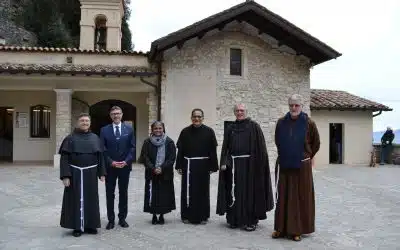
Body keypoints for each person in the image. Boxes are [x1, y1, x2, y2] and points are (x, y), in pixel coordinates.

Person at [216, 103, 274, 232]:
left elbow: (261, 149)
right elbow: (226, 148)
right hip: (234, 166)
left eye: (241, 110)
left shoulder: (254, 127)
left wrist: (259, 165)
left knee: (250, 193)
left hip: (250, 166)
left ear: (246, 111)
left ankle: (250, 221)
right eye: (237, 110)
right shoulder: (230, 128)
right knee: (235, 191)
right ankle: (234, 219)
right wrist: (225, 162)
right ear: (234, 112)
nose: (239, 112)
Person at [272, 94, 320, 241]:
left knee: (299, 198)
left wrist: (306, 157)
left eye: (296, 105)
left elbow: (316, 143)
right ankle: (281, 228)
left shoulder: (309, 123)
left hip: (301, 167)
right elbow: (277, 141)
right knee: (284, 197)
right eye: (291, 105)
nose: (294, 108)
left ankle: (297, 230)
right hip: (285, 165)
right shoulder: (281, 123)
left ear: (301, 106)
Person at [59, 113, 106, 237]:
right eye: (82, 121)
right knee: (74, 199)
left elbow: (100, 156)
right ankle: (77, 227)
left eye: (87, 121)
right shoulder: (70, 138)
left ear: (90, 123)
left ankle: (90, 225)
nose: (85, 123)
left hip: (91, 173)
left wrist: (102, 173)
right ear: (77, 123)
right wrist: (65, 175)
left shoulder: (95, 138)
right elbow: (64, 158)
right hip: (75, 173)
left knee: (91, 199)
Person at [175, 108, 219, 224]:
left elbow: (212, 150)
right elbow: (181, 150)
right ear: (191, 118)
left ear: (203, 118)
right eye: (194, 116)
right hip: (188, 165)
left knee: (203, 191)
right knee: (187, 190)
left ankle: (203, 216)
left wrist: (213, 166)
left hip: (203, 166)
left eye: (199, 117)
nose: (197, 119)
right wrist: (179, 165)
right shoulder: (185, 131)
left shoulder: (209, 131)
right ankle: (186, 215)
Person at [100, 106, 136, 230]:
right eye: (113, 114)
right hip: (110, 167)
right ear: (110, 115)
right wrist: (111, 162)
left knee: (123, 193)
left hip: (125, 167)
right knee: (110, 194)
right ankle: (111, 220)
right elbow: (102, 149)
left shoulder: (129, 129)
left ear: (122, 114)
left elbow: (132, 147)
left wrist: (126, 161)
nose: (116, 116)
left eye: (118, 113)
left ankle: (122, 218)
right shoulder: (104, 130)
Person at [139, 121, 177, 225]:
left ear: (163, 129)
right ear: (152, 130)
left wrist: (161, 168)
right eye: (156, 128)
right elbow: (144, 157)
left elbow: (172, 158)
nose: (158, 130)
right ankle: (154, 215)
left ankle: (162, 215)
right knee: (153, 194)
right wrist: (153, 168)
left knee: (163, 195)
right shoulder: (147, 142)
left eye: (160, 128)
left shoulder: (169, 142)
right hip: (152, 173)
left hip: (165, 173)